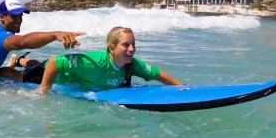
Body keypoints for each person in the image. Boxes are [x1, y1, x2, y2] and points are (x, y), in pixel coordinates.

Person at [0, 0, 85, 87]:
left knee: (31, 70)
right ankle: (17, 61)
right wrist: (55, 34)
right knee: (35, 74)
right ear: (1, 17)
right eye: (14, 16)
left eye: (21, 16)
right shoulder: (1, 38)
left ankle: (17, 61)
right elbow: (23, 42)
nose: (19, 20)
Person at [38, 26, 181, 94]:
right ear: (112, 48)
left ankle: (18, 60)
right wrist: (44, 91)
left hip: (71, 76)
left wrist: (182, 89)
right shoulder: (94, 62)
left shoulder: (132, 64)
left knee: (32, 65)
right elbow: (54, 62)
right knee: (23, 75)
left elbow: (159, 75)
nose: (132, 49)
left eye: (133, 44)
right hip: (52, 76)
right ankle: (17, 63)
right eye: (126, 45)